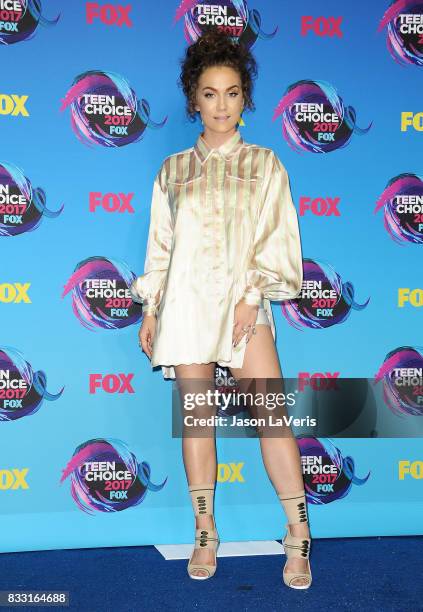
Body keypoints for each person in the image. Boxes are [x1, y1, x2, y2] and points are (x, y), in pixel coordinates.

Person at [130, 29, 311, 589]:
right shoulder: (171, 172)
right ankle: (205, 530)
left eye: (232, 93)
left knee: (273, 421)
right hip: (184, 311)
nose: (222, 105)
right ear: (194, 100)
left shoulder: (265, 165)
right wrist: (151, 310)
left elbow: (277, 241)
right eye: (210, 94)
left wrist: (251, 299)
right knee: (197, 423)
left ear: (245, 98)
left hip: (243, 309)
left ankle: (299, 536)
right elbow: (160, 249)